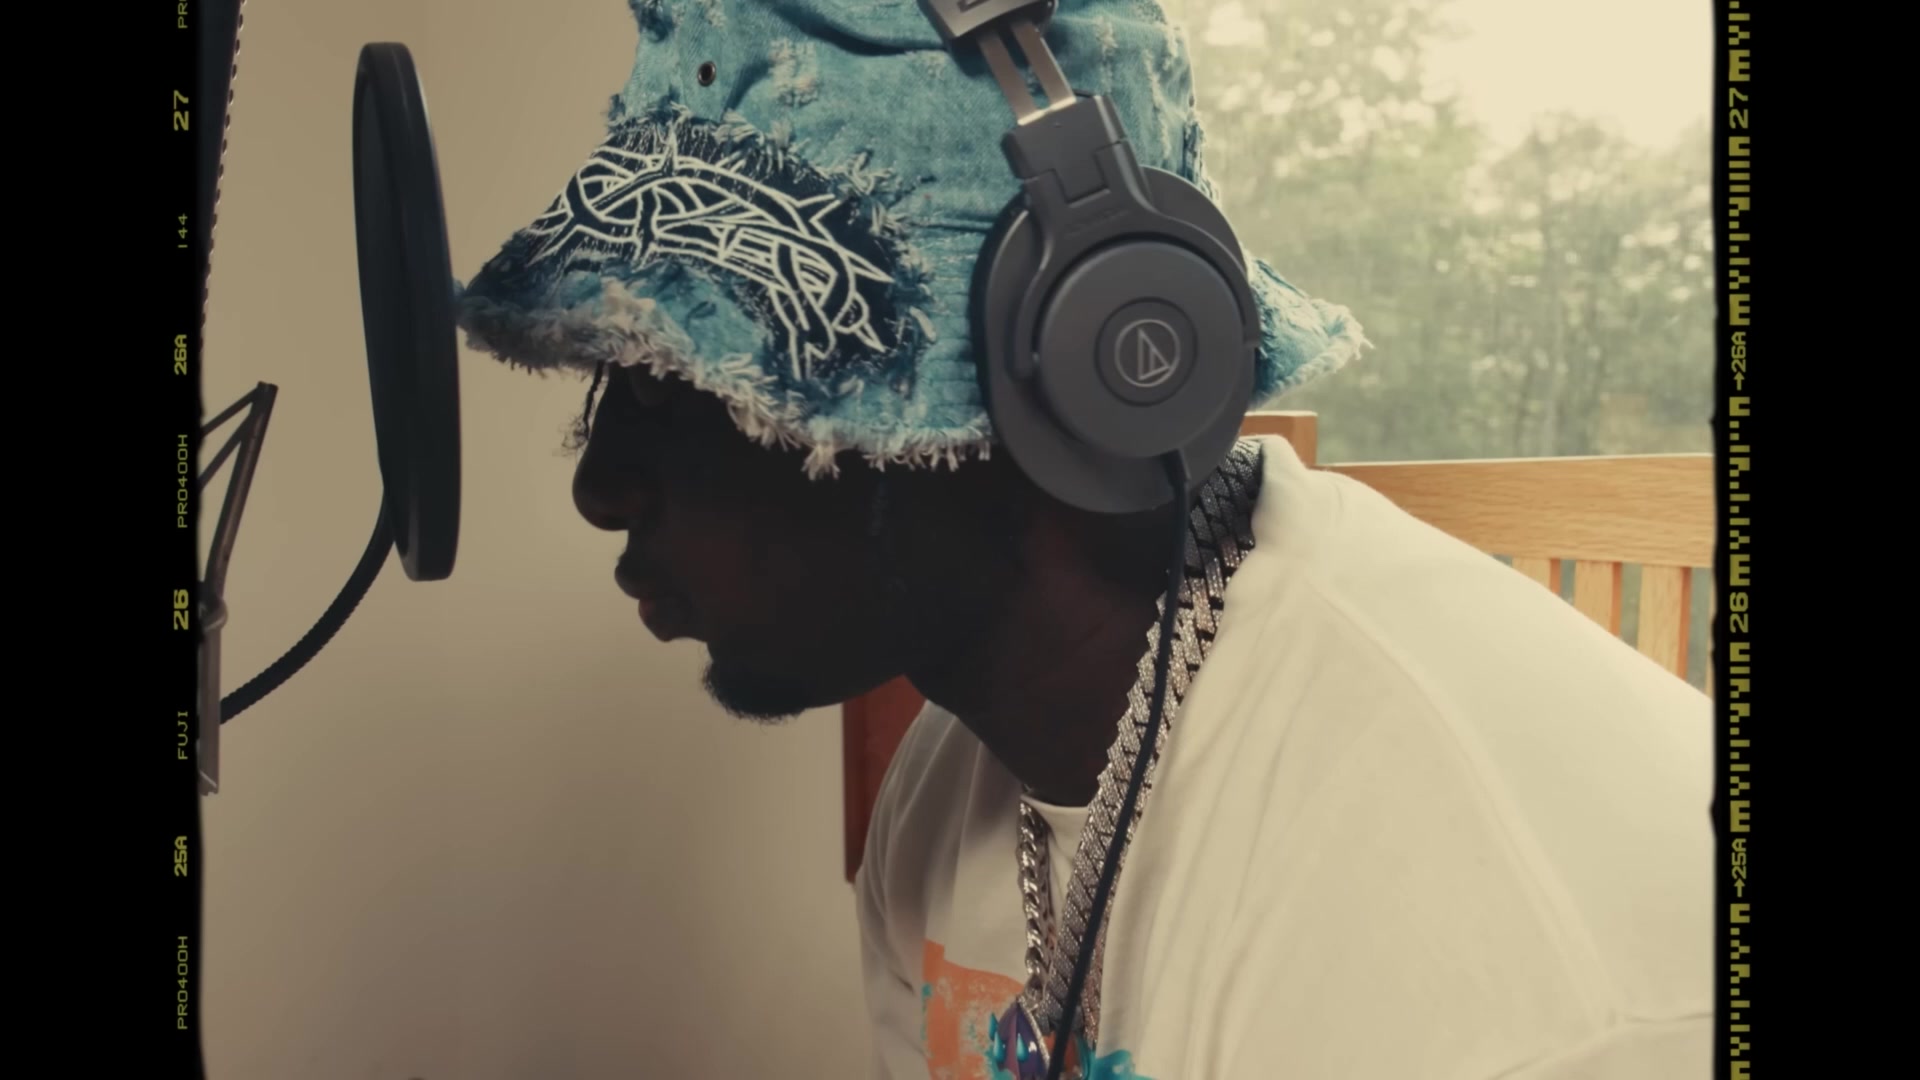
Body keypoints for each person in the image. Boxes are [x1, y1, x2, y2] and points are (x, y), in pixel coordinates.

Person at [457, 2, 1713, 1077]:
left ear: (1090, 364)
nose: (600, 487)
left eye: (680, 381)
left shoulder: (1505, 978)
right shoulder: (945, 792)